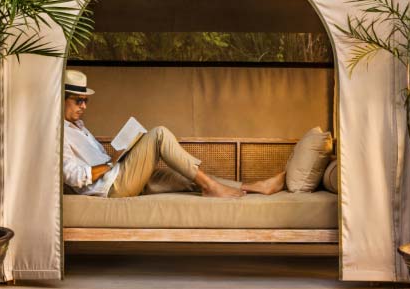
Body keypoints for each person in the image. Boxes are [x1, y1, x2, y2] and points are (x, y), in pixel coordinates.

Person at [62, 69, 285, 198]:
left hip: (120, 173)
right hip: (113, 186)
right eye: (78, 100)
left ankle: (253, 187)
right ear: (60, 100)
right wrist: (109, 166)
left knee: (184, 177)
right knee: (159, 134)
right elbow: (72, 176)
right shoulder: (58, 136)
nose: (84, 106)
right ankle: (211, 187)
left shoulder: (80, 127)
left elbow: (100, 160)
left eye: (86, 101)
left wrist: (120, 154)